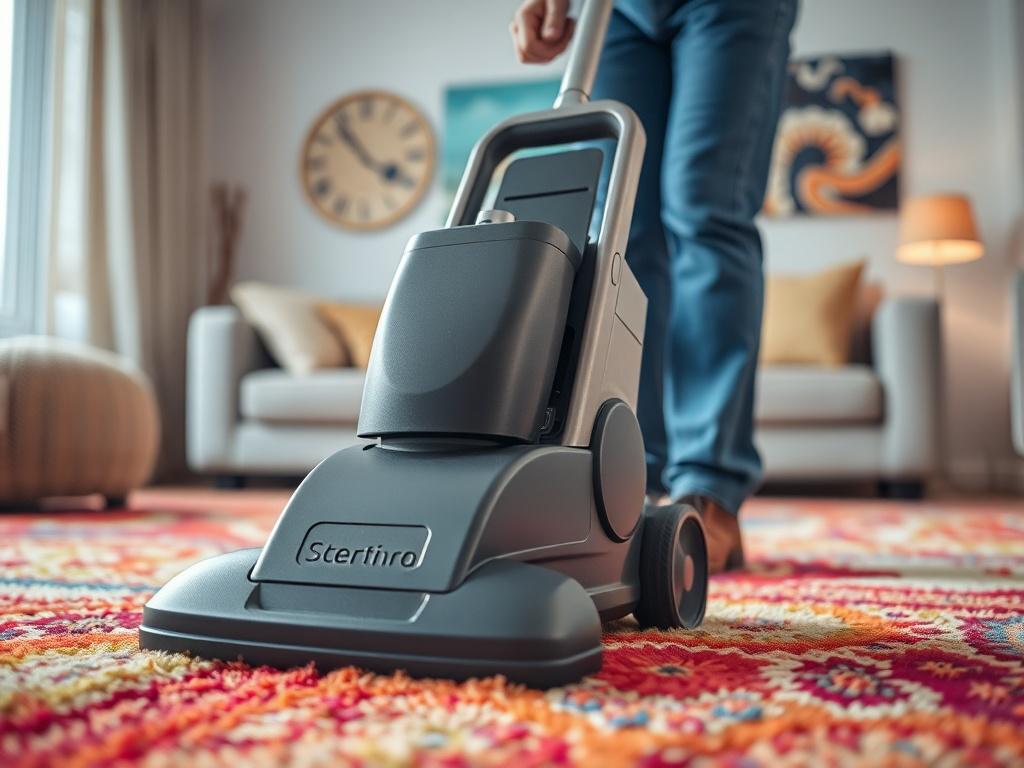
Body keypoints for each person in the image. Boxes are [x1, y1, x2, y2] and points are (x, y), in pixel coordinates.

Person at [510, 0, 797, 573]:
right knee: (621, 226)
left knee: (704, 211)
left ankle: (707, 491)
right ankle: (630, 479)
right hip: (617, 10)